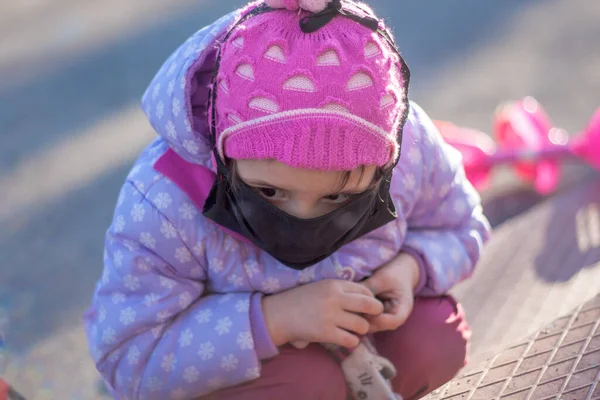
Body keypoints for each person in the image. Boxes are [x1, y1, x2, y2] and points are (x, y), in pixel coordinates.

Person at [83, 0, 492, 398]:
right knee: (306, 384)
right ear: (222, 152)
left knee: (432, 342)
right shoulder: (166, 201)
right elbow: (129, 355)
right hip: (253, 370)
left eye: (338, 197)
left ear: (387, 160)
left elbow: (463, 225)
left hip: (360, 343)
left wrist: (412, 269)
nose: (302, 220)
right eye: (268, 192)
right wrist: (272, 321)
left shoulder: (411, 150)